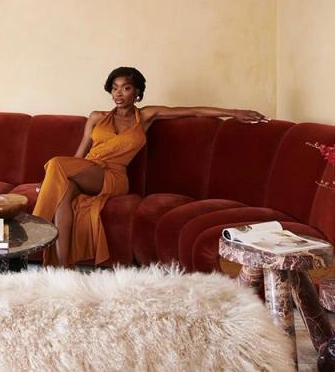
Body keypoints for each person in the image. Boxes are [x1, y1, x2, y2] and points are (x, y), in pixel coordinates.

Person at [32, 66, 267, 268]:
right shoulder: (96, 117)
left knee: (55, 164)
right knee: (63, 196)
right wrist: (58, 178)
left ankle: (34, 228)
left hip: (113, 177)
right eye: (114, 88)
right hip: (87, 170)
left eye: (125, 88)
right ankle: (61, 268)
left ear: (137, 93)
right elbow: (79, 154)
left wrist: (233, 112)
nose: (118, 93)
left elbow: (192, 111)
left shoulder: (145, 116)